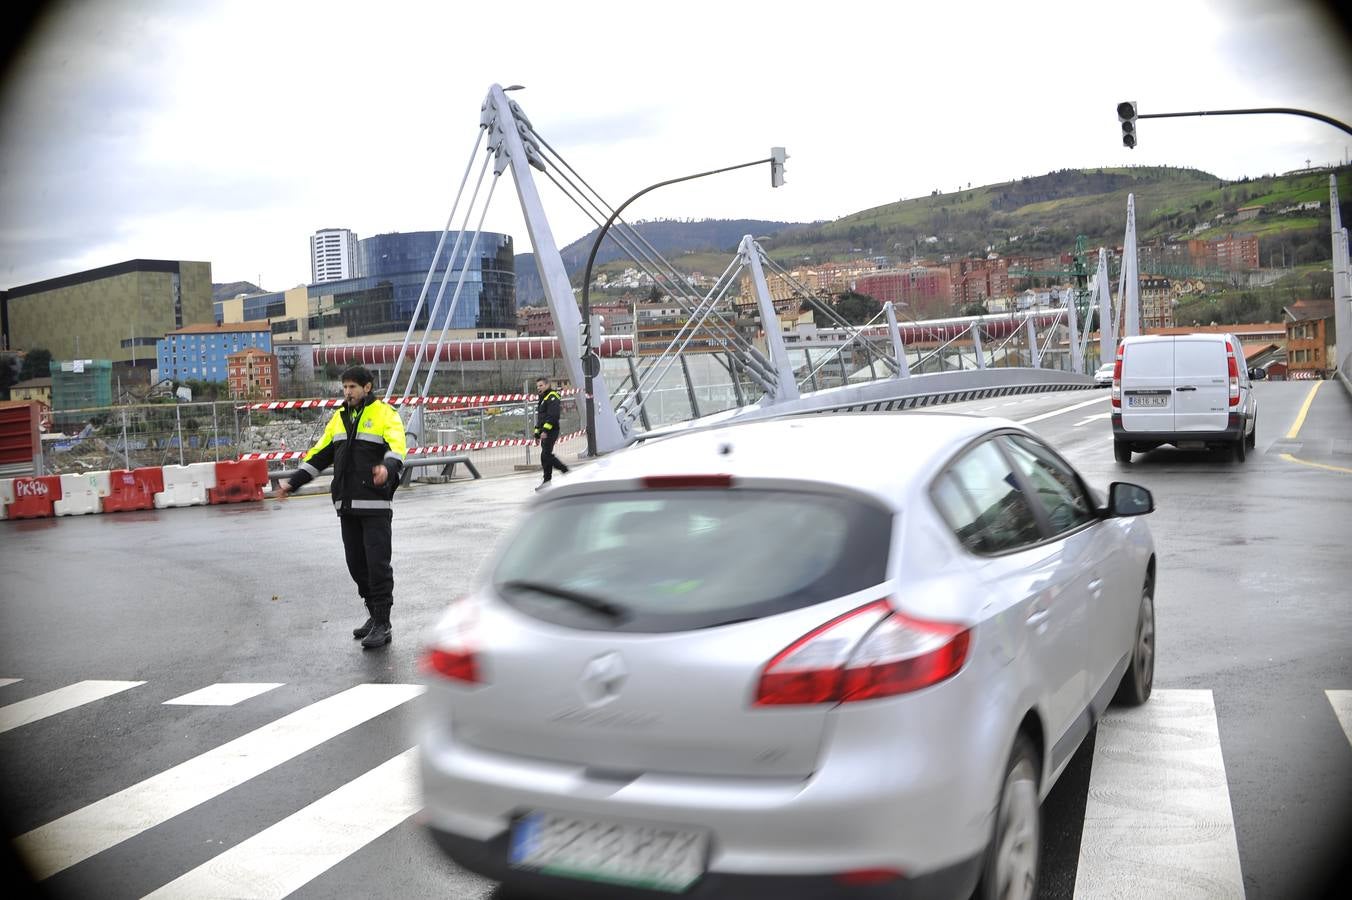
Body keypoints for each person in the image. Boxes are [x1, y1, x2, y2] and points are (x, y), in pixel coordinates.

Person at [276, 365, 407, 649]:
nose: (347, 392)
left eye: (352, 387)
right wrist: (292, 483)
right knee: (356, 565)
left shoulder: (385, 414)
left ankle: (383, 623)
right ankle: (373, 615)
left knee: (377, 565)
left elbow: (397, 447)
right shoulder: (338, 418)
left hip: (375, 503)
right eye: (345, 387)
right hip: (347, 504)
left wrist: (387, 467)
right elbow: (320, 455)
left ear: (367, 387)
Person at [533, 376, 570, 491]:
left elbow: (553, 416)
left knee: (546, 455)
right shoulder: (543, 397)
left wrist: (545, 431)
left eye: (541, 385)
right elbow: (541, 418)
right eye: (538, 386)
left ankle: (565, 471)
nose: (539, 388)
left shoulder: (552, 396)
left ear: (547, 385)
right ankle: (547, 481)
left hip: (551, 430)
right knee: (545, 456)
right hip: (545, 432)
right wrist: (537, 433)